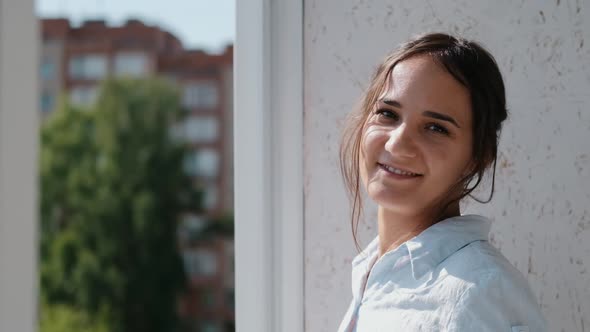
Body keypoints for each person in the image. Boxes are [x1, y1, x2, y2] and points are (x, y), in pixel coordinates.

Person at [337, 33, 548, 331]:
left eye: (435, 127)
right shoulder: (373, 270)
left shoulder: (481, 293)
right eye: (387, 113)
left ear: (479, 155)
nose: (397, 144)